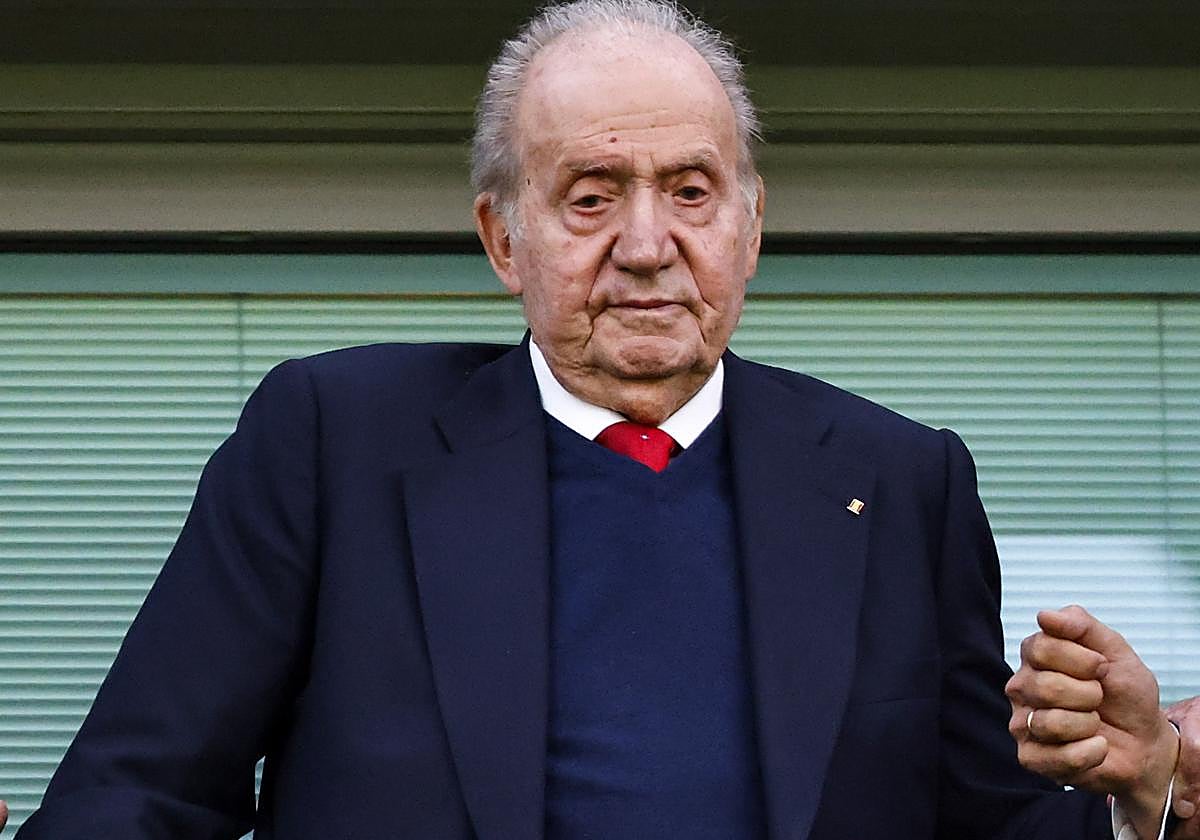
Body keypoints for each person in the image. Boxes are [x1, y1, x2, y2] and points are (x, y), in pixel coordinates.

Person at [8, 1, 1194, 837]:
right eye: (590, 197)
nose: (646, 245)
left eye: (690, 191)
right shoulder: (332, 443)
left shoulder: (900, 482)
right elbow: (143, 795)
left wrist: (1141, 796)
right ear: (501, 240)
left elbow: (986, 827)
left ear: (751, 223)